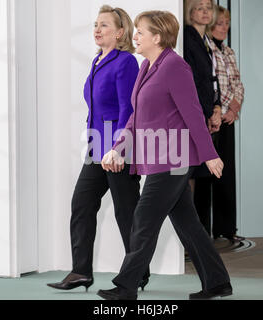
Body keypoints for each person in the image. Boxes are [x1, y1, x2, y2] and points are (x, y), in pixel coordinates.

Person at [97, 10, 232, 300]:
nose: (136, 36)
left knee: (144, 220)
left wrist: (209, 154)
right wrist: (118, 147)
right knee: (188, 224)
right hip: (158, 158)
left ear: (157, 37)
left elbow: (193, 114)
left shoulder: (175, 67)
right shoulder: (147, 66)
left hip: (173, 159)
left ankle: (126, 286)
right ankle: (218, 282)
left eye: (141, 32)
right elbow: (135, 116)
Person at [47, 5, 149, 292]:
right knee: (81, 205)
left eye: (104, 25)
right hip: (96, 149)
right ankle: (80, 272)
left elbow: (128, 109)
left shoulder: (126, 61)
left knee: (126, 212)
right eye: (95, 24)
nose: (97, 29)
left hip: (118, 150)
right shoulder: (97, 62)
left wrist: (119, 148)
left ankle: (137, 271)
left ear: (120, 32)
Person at [203, 5, 245, 242]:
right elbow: (210, 85)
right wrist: (217, 111)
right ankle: (203, 231)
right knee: (206, 175)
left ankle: (226, 229)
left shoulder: (229, 51)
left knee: (226, 175)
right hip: (211, 119)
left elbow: (238, 83)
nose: (224, 28)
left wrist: (233, 109)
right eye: (220, 23)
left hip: (227, 119)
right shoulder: (205, 48)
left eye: (227, 23)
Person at [183, 0, 223, 237]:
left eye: (208, 6)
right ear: (190, 12)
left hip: (206, 112)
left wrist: (216, 108)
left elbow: (211, 79)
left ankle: (194, 235)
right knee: (188, 175)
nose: (205, 11)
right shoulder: (188, 39)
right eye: (199, 7)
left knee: (198, 174)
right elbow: (193, 83)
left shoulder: (206, 41)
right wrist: (206, 113)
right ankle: (189, 235)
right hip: (194, 115)